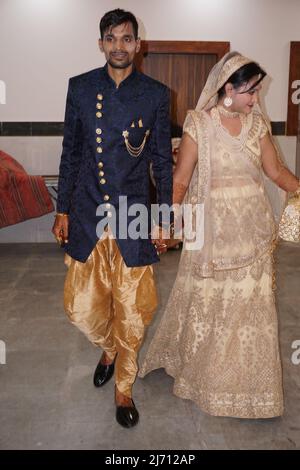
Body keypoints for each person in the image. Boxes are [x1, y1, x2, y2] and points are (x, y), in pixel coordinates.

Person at [139, 51, 300, 419]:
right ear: (229, 88)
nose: (255, 99)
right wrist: (166, 222)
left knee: (251, 307)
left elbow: (276, 173)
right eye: (251, 92)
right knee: (213, 304)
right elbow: (180, 180)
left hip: (252, 232)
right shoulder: (199, 124)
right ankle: (206, 375)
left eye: (257, 92)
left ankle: (251, 385)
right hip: (212, 234)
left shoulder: (257, 126)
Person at [52, 8, 172, 428]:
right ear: (100, 43)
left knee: (133, 311)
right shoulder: (80, 88)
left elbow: (162, 162)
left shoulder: (156, 94)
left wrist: (164, 218)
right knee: (79, 308)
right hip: (86, 211)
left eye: (126, 38)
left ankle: (124, 387)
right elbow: (71, 152)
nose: (118, 46)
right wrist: (62, 208)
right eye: (111, 37)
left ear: (138, 45)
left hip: (134, 214)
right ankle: (109, 346)